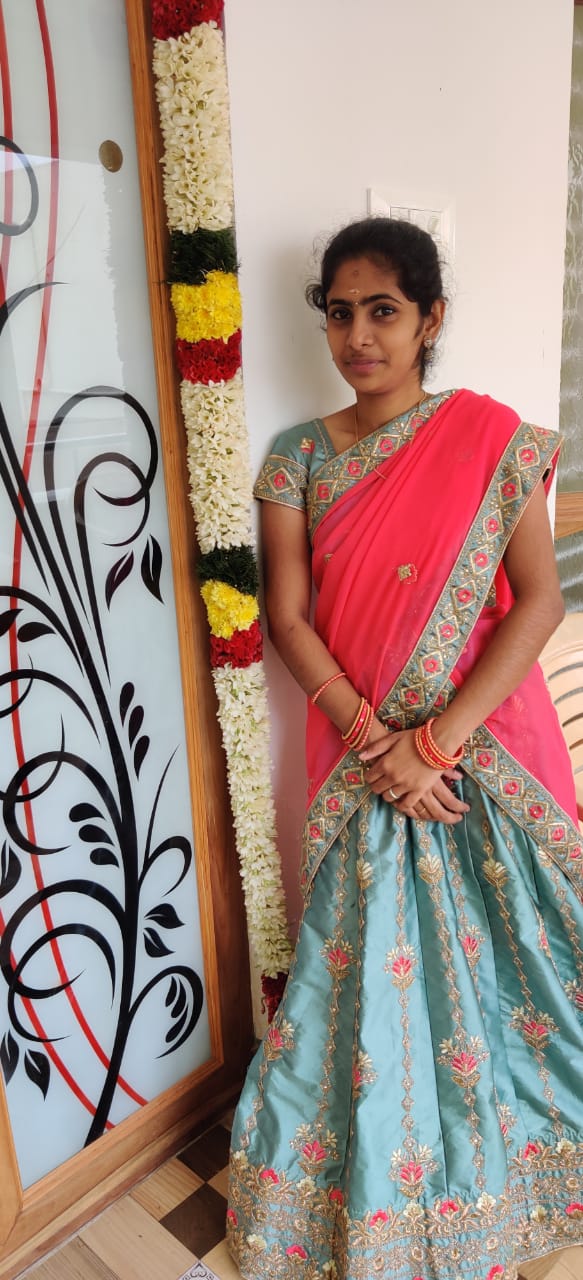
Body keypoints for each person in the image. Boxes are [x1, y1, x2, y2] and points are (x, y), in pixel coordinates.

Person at [226, 218, 583, 1280]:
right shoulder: (297, 456)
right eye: (339, 313)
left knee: (527, 955)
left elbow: (538, 601)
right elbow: (288, 617)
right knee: (371, 973)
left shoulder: (487, 437)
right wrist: (376, 739)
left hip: (482, 750)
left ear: (430, 318)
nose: (358, 336)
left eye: (382, 310)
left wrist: (434, 741)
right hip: (363, 759)